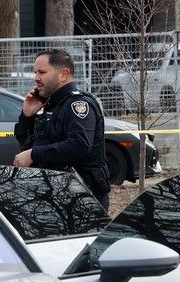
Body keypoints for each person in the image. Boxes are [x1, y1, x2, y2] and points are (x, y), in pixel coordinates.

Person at [13, 48, 111, 210]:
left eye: (42, 72)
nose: (36, 78)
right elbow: (26, 144)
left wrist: (34, 154)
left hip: (82, 196)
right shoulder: (50, 104)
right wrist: (27, 116)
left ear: (63, 74)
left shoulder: (77, 104)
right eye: (35, 72)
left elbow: (79, 145)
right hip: (56, 192)